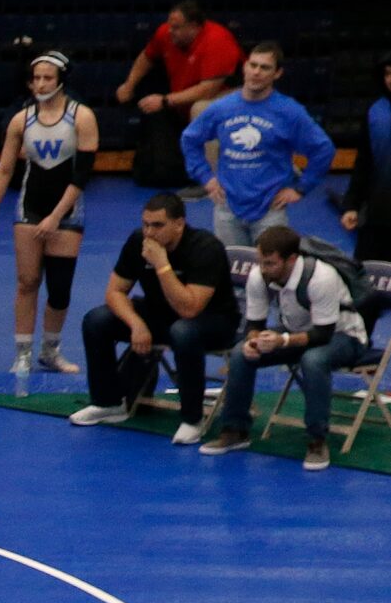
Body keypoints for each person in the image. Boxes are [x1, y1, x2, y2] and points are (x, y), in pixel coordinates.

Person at [71, 192, 235, 442]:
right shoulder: (139, 242)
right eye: (145, 224)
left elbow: (189, 309)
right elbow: (115, 291)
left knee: (183, 331)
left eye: (157, 225)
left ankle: (192, 419)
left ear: (179, 224)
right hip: (160, 314)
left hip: (213, 321)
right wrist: (136, 324)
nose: (149, 233)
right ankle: (108, 403)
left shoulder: (206, 247)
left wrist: (161, 265)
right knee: (97, 320)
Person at [202, 225, 367, 472]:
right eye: (261, 262)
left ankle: (317, 440)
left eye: (270, 263)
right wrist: (253, 342)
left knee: (313, 360)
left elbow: (322, 335)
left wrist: (283, 342)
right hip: (296, 333)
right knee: (240, 354)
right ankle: (235, 430)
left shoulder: (321, 278)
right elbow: (254, 323)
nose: (263, 269)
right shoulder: (261, 276)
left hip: (344, 337)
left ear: (291, 259)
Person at [0, 50, 96, 375]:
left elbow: (81, 175)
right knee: (27, 281)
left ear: (61, 81)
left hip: (67, 212)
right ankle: (22, 353)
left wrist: (56, 216)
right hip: (29, 209)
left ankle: (50, 349)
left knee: (59, 288)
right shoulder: (22, 119)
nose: (41, 84)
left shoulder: (81, 117)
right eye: (37, 78)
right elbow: (3, 170)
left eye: (48, 78)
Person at [182, 43, 334, 251]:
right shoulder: (222, 108)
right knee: (231, 273)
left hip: (270, 209)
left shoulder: (289, 112)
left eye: (265, 68)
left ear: (277, 73)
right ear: (244, 66)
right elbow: (190, 139)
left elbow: (323, 149)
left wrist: (301, 188)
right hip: (227, 207)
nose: (256, 72)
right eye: (252, 65)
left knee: (271, 274)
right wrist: (206, 177)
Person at [118, 0, 240, 190]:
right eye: (169, 25)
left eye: (176, 27)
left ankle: (211, 182)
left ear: (193, 27)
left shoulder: (217, 40)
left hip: (233, 97)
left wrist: (166, 100)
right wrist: (129, 84)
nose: (169, 31)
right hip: (187, 95)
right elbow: (147, 56)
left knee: (202, 109)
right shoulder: (166, 33)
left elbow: (208, 89)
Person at [348, 54, 391, 266]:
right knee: (365, 276)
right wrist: (351, 205)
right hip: (379, 213)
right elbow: (363, 163)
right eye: (388, 73)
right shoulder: (375, 112)